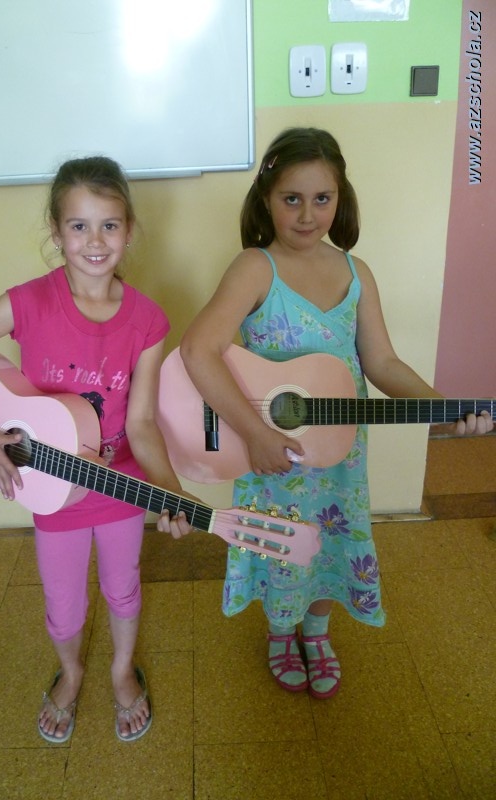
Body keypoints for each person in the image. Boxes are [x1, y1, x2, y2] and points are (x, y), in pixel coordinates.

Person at [179, 128, 494, 699]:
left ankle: (317, 632)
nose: (307, 215)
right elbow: (198, 350)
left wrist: (442, 411)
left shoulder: (356, 273)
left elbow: (384, 362)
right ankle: (281, 632)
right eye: (291, 199)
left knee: (331, 540)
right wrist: (255, 434)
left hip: (340, 459)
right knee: (283, 543)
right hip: (271, 454)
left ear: (340, 198)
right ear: (266, 200)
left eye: (321, 198)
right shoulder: (255, 268)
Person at [0, 155, 191, 742]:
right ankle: (71, 672)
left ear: (129, 230)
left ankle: (122, 670)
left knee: (123, 586)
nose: (95, 241)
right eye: (79, 226)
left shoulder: (147, 320)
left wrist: (170, 489)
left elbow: (142, 421)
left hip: (118, 485)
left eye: (109, 225)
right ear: (56, 231)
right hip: (52, 491)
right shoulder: (28, 303)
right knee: (63, 601)